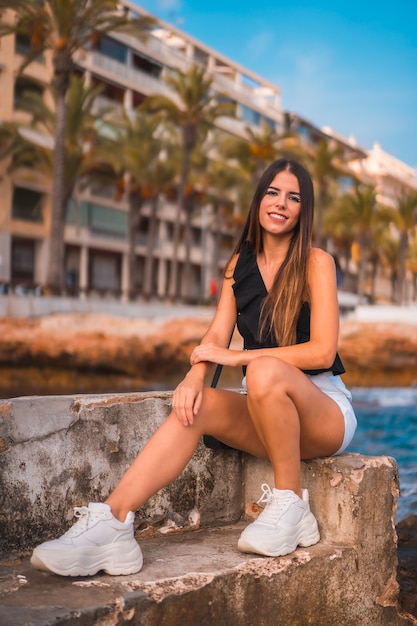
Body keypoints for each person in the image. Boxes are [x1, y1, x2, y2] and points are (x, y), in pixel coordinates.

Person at [30, 157, 357, 577]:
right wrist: (193, 377)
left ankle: (292, 505)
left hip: (324, 413)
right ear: (259, 200)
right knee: (194, 407)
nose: (281, 203)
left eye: (293, 197)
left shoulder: (316, 262)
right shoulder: (238, 265)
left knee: (261, 372)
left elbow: (322, 353)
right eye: (273, 192)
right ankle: (112, 524)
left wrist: (240, 359)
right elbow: (216, 336)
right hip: (267, 406)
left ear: (303, 210)